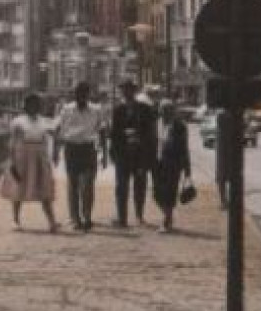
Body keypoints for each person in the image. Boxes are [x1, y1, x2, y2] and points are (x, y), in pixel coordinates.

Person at [55, 82, 105, 231]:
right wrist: (55, 152)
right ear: (74, 94)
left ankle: (87, 216)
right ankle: (75, 218)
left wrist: (105, 154)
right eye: (78, 93)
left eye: (84, 93)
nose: (81, 96)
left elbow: (101, 130)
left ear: (88, 94)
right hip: (71, 149)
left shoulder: (96, 110)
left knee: (88, 184)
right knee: (73, 184)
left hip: (88, 149)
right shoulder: (66, 109)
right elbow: (58, 129)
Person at [6, 93, 59, 232]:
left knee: (45, 188)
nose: (34, 107)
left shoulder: (45, 121)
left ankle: (52, 221)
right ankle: (15, 220)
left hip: (40, 156)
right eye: (30, 104)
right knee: (19, 188)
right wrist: (12, 161)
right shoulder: (18, 121)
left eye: (37, 104)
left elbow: (54, 135)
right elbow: (12, 143)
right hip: (23, 156)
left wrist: (54, 153)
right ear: (25, 105)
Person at [108, 79, 157, 227]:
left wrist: (148, 154)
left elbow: (150, 132)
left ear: (134, 91)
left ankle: (139, 216)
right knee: (121, 186)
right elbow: (114, 133)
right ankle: (122, 218)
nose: (126, 92)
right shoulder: (117, 109)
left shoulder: (145, 109)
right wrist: (113, 152)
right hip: (122, 154)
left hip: (140, 154)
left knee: (140, 185)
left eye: (129, 89)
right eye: (124, 89)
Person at [151, 101, 192, 233]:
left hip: (173, 164)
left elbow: (185, 148)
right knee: (156, 194)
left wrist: (187, 170)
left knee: (169, 193)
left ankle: (166, 221)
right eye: (163, 110)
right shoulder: (156, 123)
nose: (165, 113)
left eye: (168, 110)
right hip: (157, 163)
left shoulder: (180, 126)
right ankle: (168, 216)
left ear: (173, 111)